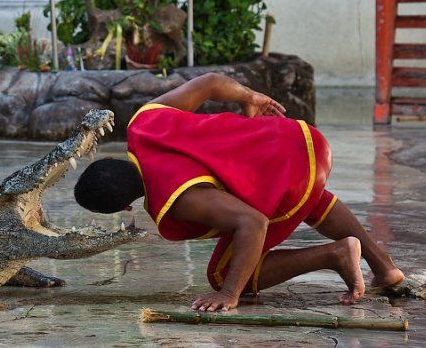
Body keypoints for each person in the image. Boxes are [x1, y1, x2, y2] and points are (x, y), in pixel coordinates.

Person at [74, 73, 405, 312]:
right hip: (297, 138)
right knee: (298, 195)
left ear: (126, 208)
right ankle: (383, 266)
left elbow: (253, 223)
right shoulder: (143, 123)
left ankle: (334, 254)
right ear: (113, 158)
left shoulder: (174, 200)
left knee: (221, 273)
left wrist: (230, 293)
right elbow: (209, 83)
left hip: (295, 170)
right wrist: (250, 97)